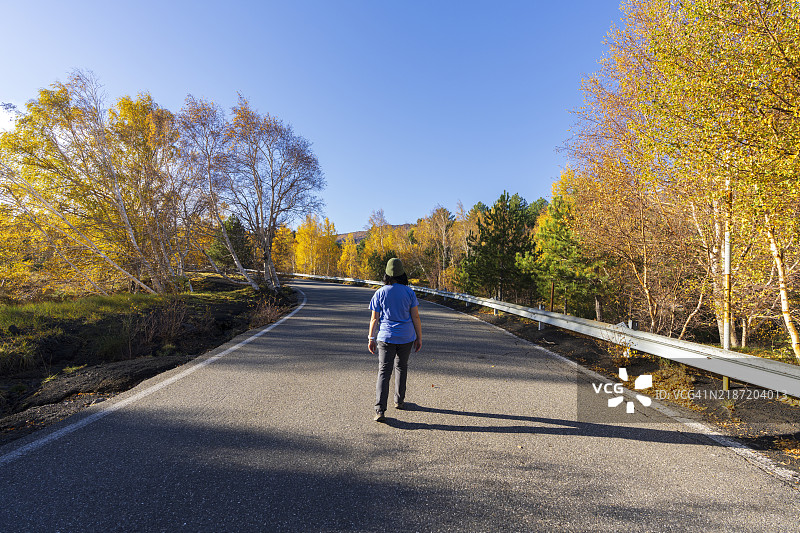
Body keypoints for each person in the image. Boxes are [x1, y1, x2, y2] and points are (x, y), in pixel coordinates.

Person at [368, 258, 422, 422]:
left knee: (384, 372)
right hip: (406, 337)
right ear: (402, 273)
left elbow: (374, 319)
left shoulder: (380, 292)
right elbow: (416, 317)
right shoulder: (409, 292)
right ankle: (399, 400)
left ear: (386, 273)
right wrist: (419, 337)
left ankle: (380, 410)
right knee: (401, 367)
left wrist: (371, 338)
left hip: (385, 338)